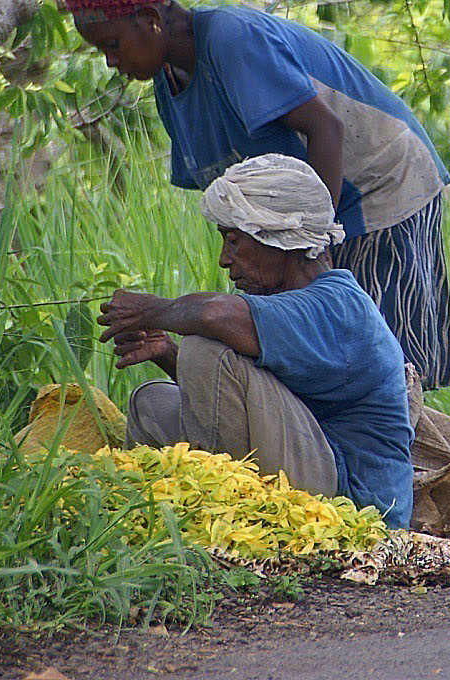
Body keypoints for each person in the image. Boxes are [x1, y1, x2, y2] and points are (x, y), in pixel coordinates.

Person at [63, 0, 450, 388]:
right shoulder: (170, 86)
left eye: (112, 45)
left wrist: (312, 240)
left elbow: (325, 129)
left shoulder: (232, 40)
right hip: (315, 208)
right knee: (305, 353)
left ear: (151, 22)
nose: (111, 62)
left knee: (380, 360)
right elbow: (237, 201)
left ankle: (408, 454)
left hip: (376, 185)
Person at [97, 154, 414, 529]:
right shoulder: (289, 305)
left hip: (353, 504)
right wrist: (167, 354)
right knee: (150, 401)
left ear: (282, 240)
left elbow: (213, 315)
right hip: (311, 466)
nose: (223, 260)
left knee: (204, 346)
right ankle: (175, 514)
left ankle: (214, 515)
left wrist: (148, 311)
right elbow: (237, 397)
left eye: (234, 241)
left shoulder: (339, 306)